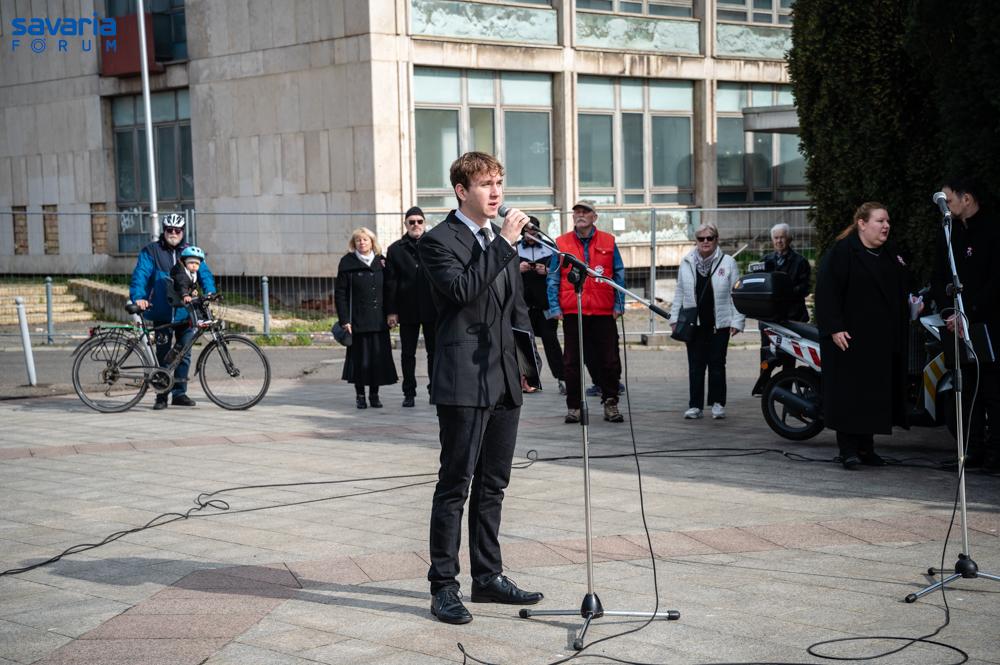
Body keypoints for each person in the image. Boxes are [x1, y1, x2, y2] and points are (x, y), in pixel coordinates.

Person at [418, 151, 543, 625]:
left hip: (504, 378)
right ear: (461, 190)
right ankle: (444, 586)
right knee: (456, 485)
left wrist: (527, 366)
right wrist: (505, 244)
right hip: (463, 380)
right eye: (486, 184)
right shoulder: (438, 240)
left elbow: (516, 310)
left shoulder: (497, 240)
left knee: (494, 485)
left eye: (499, 183)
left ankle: (487, 577)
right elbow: (461, 291)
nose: (496, 193)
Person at [815, 202, 913, 470]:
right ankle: (848, 450)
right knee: (849, 395)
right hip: (849, 339)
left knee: (872, 396)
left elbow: (901, 287)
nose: (886, 226)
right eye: (880, 221)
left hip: (879, 341)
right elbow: (826, 292)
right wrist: (834, 327)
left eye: (888, 221)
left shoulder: (890, 254)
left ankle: (866, 448)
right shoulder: (842, 252)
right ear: (862, 223)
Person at [931, 177, 1000, 472]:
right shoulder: (949, 232)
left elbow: (995, 282)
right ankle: (971, 450)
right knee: (966, 388)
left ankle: (995, 454)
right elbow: (938, 276)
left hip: (987, 324)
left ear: (966, 198)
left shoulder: (993, 230)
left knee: (993, 390)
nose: (944, 206)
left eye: (948, 200)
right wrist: (949, 312)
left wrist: (969, 312)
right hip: (955, 324)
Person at [546, 200, 626, 424]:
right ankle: (574, 407)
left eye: (585, 212)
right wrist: (555, 307)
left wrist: (619, 305)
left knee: (609, 360)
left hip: (603, 312)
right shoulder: (561, 243)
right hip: (574, 311)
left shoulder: (608, 241)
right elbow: (553, 277)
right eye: (577, 212)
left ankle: (610, 402)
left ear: (594, 217)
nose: (580, 215)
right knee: (571, 362)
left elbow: (619, 274)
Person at [130, 212, 216, 410]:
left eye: (177, 230)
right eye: (170, 230)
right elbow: (140, 275)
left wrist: (210, 291)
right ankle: (161, 396)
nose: (173, 233)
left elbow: (204, 273)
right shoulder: (151, 251)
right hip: (162, 310)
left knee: (184, 352)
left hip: (186, 312)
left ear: (183, 232)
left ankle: (179, 393)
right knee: (163, 352)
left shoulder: (190, 251)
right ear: (164, 230)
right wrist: (139, 297)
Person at [670, 223, 744, 420]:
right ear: (696, 241)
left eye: (709, 238)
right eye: (701, 238)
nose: (705, 242)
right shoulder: (687, 262)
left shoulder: (728, 262)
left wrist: (737, 321)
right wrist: (674, 318)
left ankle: (718, 404)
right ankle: (695, 406)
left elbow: (736, 294)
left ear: (716, 240)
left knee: (717, 364)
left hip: (719, 324)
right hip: (694, 323)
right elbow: (679, 292)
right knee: (695, 365)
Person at [334, 227, 398, 409]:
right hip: (357, 321)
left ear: (372, 242)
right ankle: (360, 395)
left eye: (365, 239)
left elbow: (390, 289)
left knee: (377, 360)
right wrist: (345, 320)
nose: (362, 243)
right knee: (360, 360)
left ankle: (374, 395)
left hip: (378, 320)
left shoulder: (381, 262)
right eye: (358, 240)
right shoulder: (347, 263)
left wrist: (392, 313)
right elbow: (340, 294)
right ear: (354, 243)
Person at [386, 206, 438, 407]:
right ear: (405, 224)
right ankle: (409, 392)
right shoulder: (396, 249)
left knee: (434, 352)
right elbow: (390, 283)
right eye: (412, 222)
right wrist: (391, 311)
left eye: (419, 221)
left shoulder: (434, 245)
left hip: (432, 308)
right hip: (407, 309)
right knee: (407, 353)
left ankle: (435, 390)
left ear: (425, 223)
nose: (416, 225)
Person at [518, 221, 565, 394]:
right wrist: (517, 268)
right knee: (526, 345)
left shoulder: (550, 247)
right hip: (524, 306)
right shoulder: (514, 247)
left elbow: (560, 270)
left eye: (533, 231)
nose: (530, 235)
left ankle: (563, 378)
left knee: (550, 341)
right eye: (526, 232)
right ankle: (530, 381)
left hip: (545, 306)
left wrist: (547, 270)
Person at [762, 223, 811, 322]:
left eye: (782, 237)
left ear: (789, 239)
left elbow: (805, 287)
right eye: (776, 238)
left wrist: (785, 293)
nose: (779, 241)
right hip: (770, 315)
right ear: (772, 240)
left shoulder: (800, 261)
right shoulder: (765, 260)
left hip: (794, 315)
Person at [169, 246, 211, 328]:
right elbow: (182, 284)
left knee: (201, 301)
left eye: (197, 264)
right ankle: (199, 320)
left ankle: (204, 318)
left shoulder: (191, 272)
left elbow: (191, 283)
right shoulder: (181, 272)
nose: (194, 266)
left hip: (184, 293)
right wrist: (185, 295)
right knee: (195, 303)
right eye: (191, 263)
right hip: (177, 295)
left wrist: (193, 290)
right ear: (185, 262)